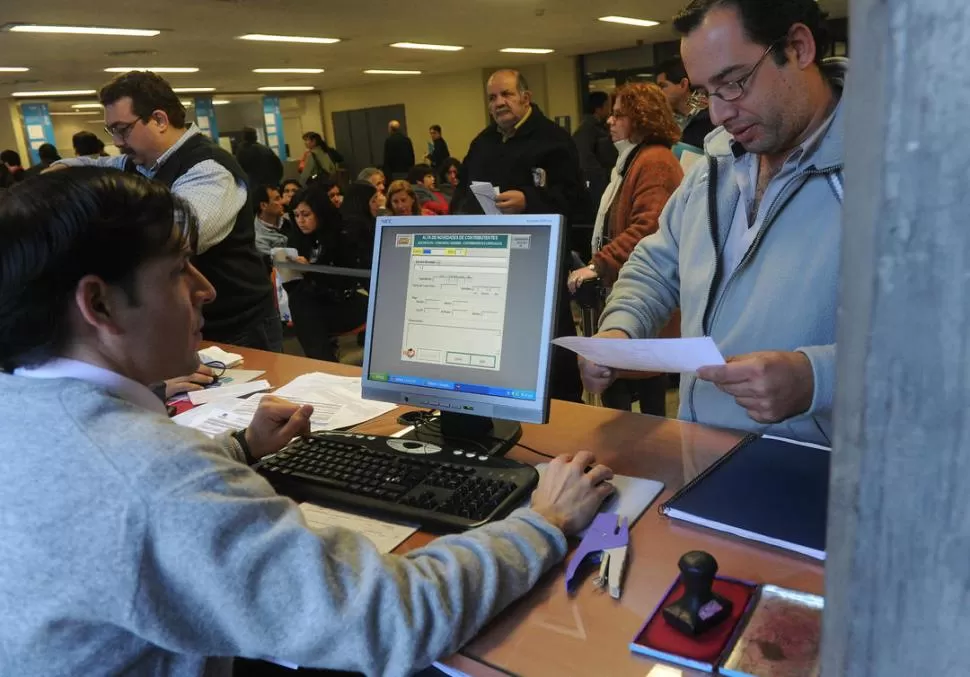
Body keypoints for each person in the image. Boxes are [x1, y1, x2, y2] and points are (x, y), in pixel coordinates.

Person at [0, 168, 615, 676]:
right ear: (98, 304)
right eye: (177, 270)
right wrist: (546, 522)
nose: (206, 289)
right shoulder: (155, 480)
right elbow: (390, 620)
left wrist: (241, 448)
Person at [581, 0, 845, 445]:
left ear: (799, 48)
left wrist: (817, 378)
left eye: (735, 83)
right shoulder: (714, 166)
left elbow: (942, 348)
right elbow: (656, 264)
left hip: (820, 479)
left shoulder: (900, 173)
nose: (719, 114)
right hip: (702, 452)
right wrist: (619, 328)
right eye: (706, 92)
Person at [47, 70, 281, 352]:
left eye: (123, 129)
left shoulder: (208, 170)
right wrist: (58, 174)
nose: (118, 142)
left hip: (236, 325)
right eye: (112, 131)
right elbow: (87, 166)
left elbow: (173, 236)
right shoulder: (140, 164)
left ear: (159, 120)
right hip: (188, 323)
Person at [452, 69, 590, 403]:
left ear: (525, 97)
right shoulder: (481, 143)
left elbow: (576, 199)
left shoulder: (553, 140)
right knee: (496, 337)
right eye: (492, 97)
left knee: (548, 337)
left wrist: (530, 199)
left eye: (506, 95)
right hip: (489, 259)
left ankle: (564, 403)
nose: (499, 103)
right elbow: (460, 195)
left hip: (538, 259)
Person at [567, 83, 685, 416]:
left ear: (641, 118)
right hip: (630, 293)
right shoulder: (637, 158)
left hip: (644, 295)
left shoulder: (655, 162)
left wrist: (598, 264)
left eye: (620, 115)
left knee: (633, 399)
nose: (610, 121)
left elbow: (648, 228)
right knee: (632, 392)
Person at [286, 184, 372, 361]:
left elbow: (345, 280)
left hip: (350, 300)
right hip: (318, 303)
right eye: (296, 215)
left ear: (320, 212)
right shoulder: (298, 239)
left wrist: (310, 271)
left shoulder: (343, 234)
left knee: (303, 306)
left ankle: (322, 362)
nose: (300, 220)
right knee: (301, 301)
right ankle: (324, 360)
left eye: (306, 214)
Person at [656, 56, 718, 150]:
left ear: (683, 85)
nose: (658, 93)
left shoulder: (712, 116)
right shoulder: (667, 123)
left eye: (663, 86)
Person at [573, 91, 618, 217]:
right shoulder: (587, 129)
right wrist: (603, 178)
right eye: (608, 106)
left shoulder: (600, 128)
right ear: (599, 108)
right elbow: (585, 160)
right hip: (598, 188)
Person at [252, 184, 288, 256]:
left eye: (280, 197)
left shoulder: (289, 219)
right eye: (277, 199)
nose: (282, 202)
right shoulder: (257, 238)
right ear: (263, 205)